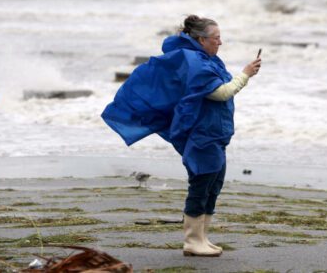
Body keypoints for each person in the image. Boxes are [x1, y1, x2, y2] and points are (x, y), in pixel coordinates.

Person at [102, 15, 261, 257]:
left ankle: (202, 238)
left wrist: (244, 76)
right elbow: (222, 93)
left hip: (216, 133)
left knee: (213, 185)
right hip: (202, 135)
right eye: (216, 38)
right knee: (201, 184)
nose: (220, 42)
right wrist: (246, 74)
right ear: (201, 39)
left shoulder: (209, 59)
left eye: (220, 37)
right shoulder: (196, 62)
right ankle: (192, 241)